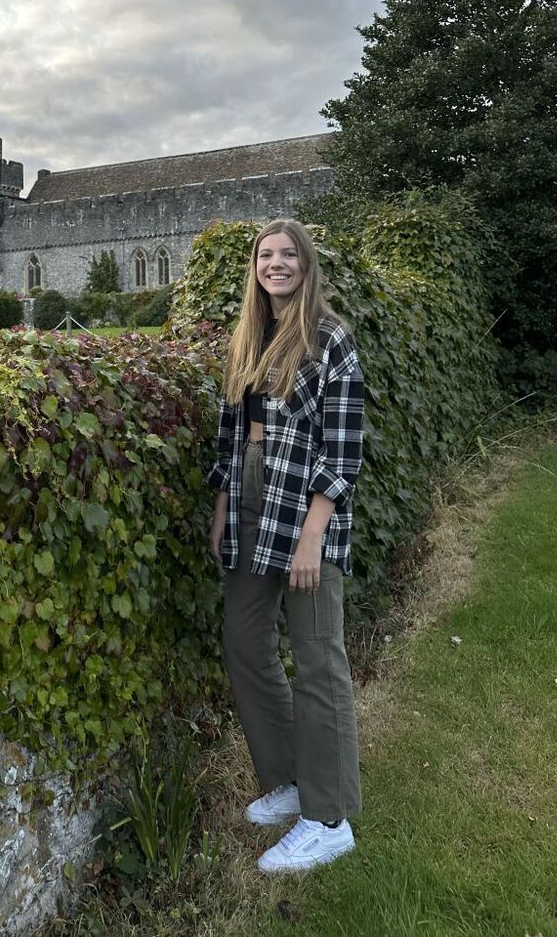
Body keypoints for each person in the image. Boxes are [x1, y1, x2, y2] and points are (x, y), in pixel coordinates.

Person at [208, 217, 364, 873]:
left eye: (287, 254)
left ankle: (329, 818)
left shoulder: (331, 339)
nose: (276, 263)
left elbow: (344, 447)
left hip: (305, 511)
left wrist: (313, 536)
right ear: (255, 267)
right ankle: (291, 779)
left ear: (306, 264)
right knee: (245, 640)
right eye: (266, 255)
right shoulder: (248, 336)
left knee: (317, 658)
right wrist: (222, 506)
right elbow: (228, 430)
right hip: (250, 505)